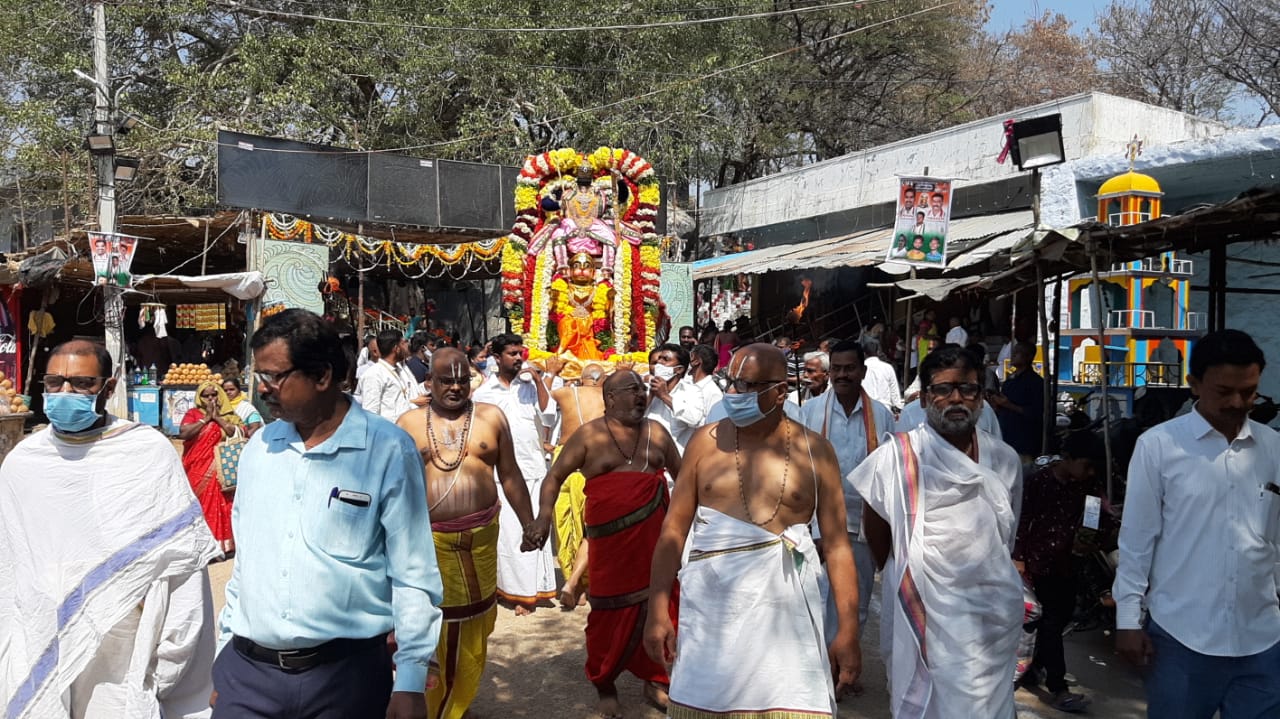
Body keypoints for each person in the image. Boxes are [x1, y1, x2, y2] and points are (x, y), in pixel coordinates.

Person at [214, 309, 443, 718]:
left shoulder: (387, 449)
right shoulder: (259, 451)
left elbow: (413, 573)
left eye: (274, 377)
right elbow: (246, 565)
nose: (262, 390)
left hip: (346, 680)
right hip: (247, 675)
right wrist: (223, 657)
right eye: (258, 377)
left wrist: (409, 678)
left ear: (321, 376)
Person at [0, 340, 220, 719]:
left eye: (81, 383)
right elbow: (10, 562)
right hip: (40, 635)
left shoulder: (146, 452)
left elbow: (180, 560)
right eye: (54, 382)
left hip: (120, 638)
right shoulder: (24, 462)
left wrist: (169, 658)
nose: (65, 392)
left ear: (109, 386)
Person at [645, 343, 861, 718]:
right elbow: (673, 532)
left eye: (747, 387)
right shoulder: (704, 443)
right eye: (731, 383)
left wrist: (848, 630)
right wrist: (658, 609)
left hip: (786, 619)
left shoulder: (816, 451)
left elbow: (839, 547)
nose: (733, 395)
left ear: (779, 392)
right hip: (712, 616)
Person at [1113, 329, 1280, 718]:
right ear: (1194, 384)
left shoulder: (1274, 448)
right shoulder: (1158, 446)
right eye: (1224, 391)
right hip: (1181, 637)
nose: (1238, 403)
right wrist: (1127, 619)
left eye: (1249, 392)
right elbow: (1138, 540)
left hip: (1263, 638)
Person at [851, 344, 1023, 718]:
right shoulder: (896, 456)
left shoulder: (1003, 459)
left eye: (967, 389)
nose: (955, 399)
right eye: (943, 390)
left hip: (989, 615)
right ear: (926, 398)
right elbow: (877, 528)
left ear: (981, 397)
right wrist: (908, 569)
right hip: (921, 608)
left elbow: (1004, 535)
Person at [526, 371, 683, 717]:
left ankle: (656, 678)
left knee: (663, 605)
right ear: (610, 398)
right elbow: (554, 476)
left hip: (655, 544)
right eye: (632, 390)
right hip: (610, 546)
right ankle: (605, 681)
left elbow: (683, 476)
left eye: (642, 390)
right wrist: (542, 517)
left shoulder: (657, 431)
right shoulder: (589, 435)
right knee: (608, 612)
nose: (641, 396)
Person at [396, 348, 536, 719]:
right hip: (431, 542)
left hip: (482, 538)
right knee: (439, 623)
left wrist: (530, 522)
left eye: (462, 379)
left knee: (478, 622)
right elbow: (393, 487)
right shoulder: (408, 423)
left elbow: (510, 474)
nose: (455, 387)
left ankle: (457, 700)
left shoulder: (492, 417)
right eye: (446, 380)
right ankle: (439, 707)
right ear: (430, 381)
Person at [799, 340, 894, 644]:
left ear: (862, 371)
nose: (842, 375)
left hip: (863, 524)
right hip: (817, 524)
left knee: (856, 601)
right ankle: (823, 671)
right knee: (818, 598)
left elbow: (887, 471)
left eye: (849, 368)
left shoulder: (881, 415)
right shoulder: (811, 412)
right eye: (836, 369)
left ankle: (844, 666)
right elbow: (800, 468)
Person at [1012, 430, 1106, 713]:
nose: (1089, 472)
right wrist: (1018, 559)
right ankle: (1058, 687)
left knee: (1056, 622)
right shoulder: (1039, 481)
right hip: (1037, 565)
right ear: (1067, 458)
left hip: (1068, 565)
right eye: (1086, 465)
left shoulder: (1087, 486)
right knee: (1049, 624)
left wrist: (1090, 538)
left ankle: (1035, 667)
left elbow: (1092, 518)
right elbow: (1023, 517)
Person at [473, 333, 560, 615]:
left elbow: (549, 416)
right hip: (503, 476)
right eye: (512, 354)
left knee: (536, 528)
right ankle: (517, 593)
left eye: (520, 353)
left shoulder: (531, 388)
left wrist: (538, 380)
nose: (518, 358)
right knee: (510, 536)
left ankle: (535, 588)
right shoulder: (484, 394)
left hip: (534, 470)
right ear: (497, 358)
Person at [548, 362, 608, 607]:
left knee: (564, 523)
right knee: (590, 525)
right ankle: (586, 584)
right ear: (603, 380)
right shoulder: (609, 395)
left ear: (581, 378)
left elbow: (543, 395)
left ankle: (574, 583)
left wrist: (554, 373)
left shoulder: (565, 393)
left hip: (564, 457)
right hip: (594, 460)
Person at [179, 380, 244, 556]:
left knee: (222, 505)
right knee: (200, 505)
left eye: (213, 394)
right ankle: (202, 546)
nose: (210, 398)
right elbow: (184, 433)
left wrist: (218, 418)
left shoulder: (229, 414)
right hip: (197, 469)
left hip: (221, 470)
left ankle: (223, 547)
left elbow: (237, 432)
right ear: (200, 397)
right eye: (205, 395)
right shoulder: (193, 414)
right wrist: (205, 419)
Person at [644, 343, 706, 454]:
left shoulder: (692, 392)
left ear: (679, 369)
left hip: (676, 460)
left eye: (665, 359)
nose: (659, 362)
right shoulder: (646, 388)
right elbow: (632, 417)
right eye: (659, 359)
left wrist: (664, 396)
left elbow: (694, 420)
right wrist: (651, 395)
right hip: (648, 457)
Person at [358, 329, 427, 423]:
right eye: (404, 343)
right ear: (396, 348)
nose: (408, 346)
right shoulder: (374, 375)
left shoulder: (399, 369)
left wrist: (425, 386)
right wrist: (413, 404)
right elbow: (371, 415)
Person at [990, 341, 1044, 460]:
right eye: (1013, 353)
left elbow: (1036, 412)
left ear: (1029, 356)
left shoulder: (1035, 382)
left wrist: (1008, 405)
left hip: (1024, 440)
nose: (1013, 356)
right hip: (1006, 436)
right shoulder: (1010, 380)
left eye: (1017, 353)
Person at [861, 337, 903, 413]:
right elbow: (894, 390)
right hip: (885, 408)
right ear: (877, 352)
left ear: (864, 354)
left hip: (866, 409)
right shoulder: (887, 367)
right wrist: (898, 406)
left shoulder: (860, 369)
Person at [683, 344, 722, 419]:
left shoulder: (713, 393)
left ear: (696, 361)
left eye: (690, 356)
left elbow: (714, 422)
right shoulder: (686, 383)